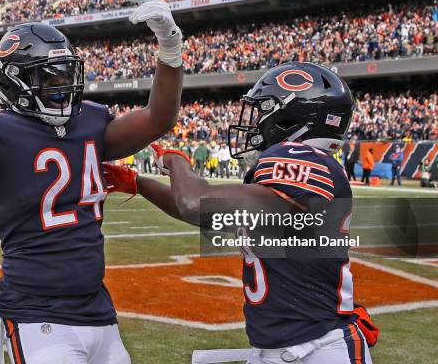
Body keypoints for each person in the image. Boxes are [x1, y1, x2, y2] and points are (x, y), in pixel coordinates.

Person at [0, 0, 183, 364]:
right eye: (48, 78)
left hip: (98, 311)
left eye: (66, 73)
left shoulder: (88, 122)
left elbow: (157, 119)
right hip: (35, 315)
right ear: (15, 81)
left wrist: (170, 46)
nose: (62, 85)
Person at [105, 63, 377, 363]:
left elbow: (196, 203)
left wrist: (178, 162)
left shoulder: (305, 159)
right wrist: (136, 182)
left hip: (320, 350)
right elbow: (207, 213)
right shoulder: (297, 184)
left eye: (263, 111)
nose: (256, 121)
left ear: (292, 116)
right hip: (282, 349)